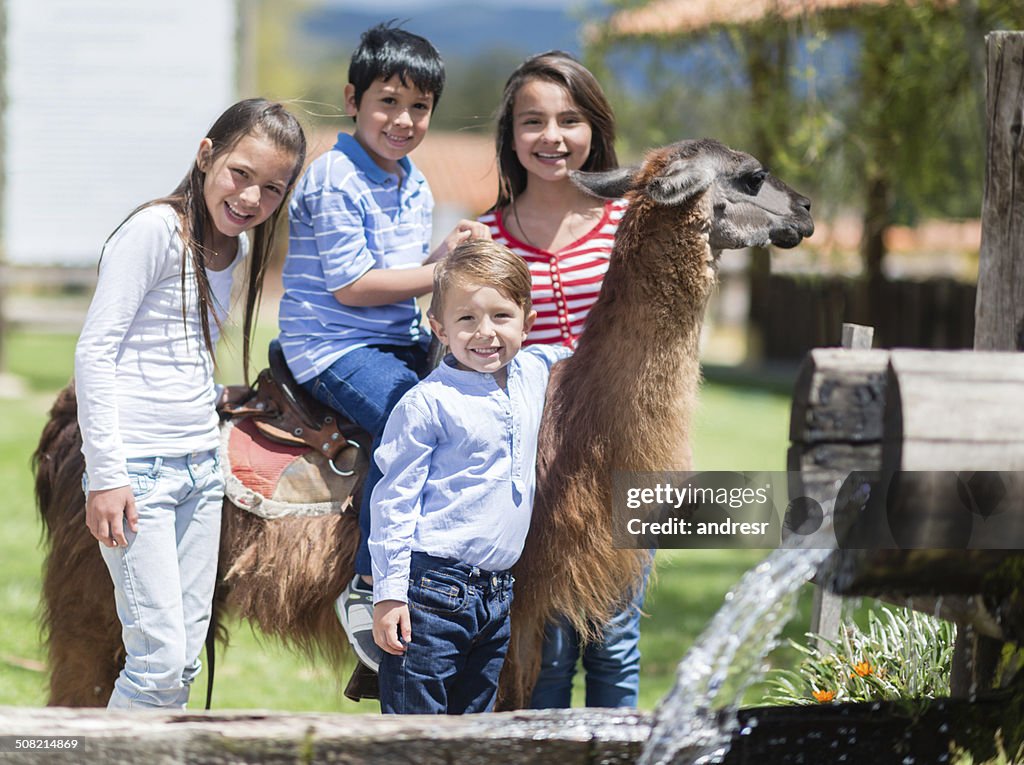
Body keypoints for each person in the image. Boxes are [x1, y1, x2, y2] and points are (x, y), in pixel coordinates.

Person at [75, 99, 307, 710]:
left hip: (202, 471)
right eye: (241, 174)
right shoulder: (153, 232)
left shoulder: (236, 251)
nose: (252, 198)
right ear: (206, 156)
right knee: (155, 661)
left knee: (184, 655)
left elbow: (180, 349)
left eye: (272, 188)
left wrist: (212, 398)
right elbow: (96, 353)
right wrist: (107, 477)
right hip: (140, 473)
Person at [276, 22, 486, 672]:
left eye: (419, 107)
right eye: (388, 102)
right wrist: (445, 266)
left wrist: (444, 260)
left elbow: (400, 271)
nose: (404, 119)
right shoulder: (335, 176)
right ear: (353, 99)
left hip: (393, 337)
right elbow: (353, 286)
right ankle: (370, 588)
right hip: (332, 345)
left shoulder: (411, 181)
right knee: (409, 417)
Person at [478, 50, 649, 709]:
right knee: (542, 653)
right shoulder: (487, 236)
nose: (551, 137)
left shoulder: (629, 225)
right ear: (511, 135)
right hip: (531, 471)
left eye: (569, 119)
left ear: (594, 129)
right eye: (532, 121)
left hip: (621, 458)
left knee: (615, 642)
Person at [369, 239, 570, 714]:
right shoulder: (427, 403)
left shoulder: (531, 374)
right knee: (416, 737)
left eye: (501, 316)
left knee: (472, 734)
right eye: (466, 319)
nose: (485, 333)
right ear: (438, 328)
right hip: (431, 594)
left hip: (497, 596)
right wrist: (390, 595)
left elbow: (571, 353)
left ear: (528, 322)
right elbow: (394, 502)